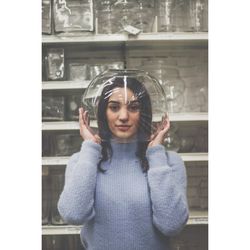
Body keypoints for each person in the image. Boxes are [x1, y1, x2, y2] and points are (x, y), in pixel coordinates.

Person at [58, 75, 189, 250]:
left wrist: (155, 153)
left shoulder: (169, 162)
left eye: (134, 108)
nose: (124, 116)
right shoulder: (82, 161)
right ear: (103, 113)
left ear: (144, 113)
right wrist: (90, 147)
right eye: (114, 107)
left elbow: (172, 225)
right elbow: (73, 215)